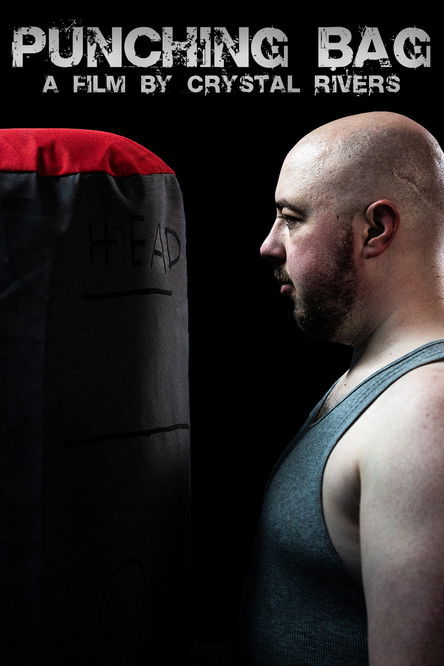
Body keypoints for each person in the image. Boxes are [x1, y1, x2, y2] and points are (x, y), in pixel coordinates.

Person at [239, 111, 444, 665]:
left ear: (376, 229)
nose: (269, 245)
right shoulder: (377, 373)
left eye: (292, 218)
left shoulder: (422, 417)